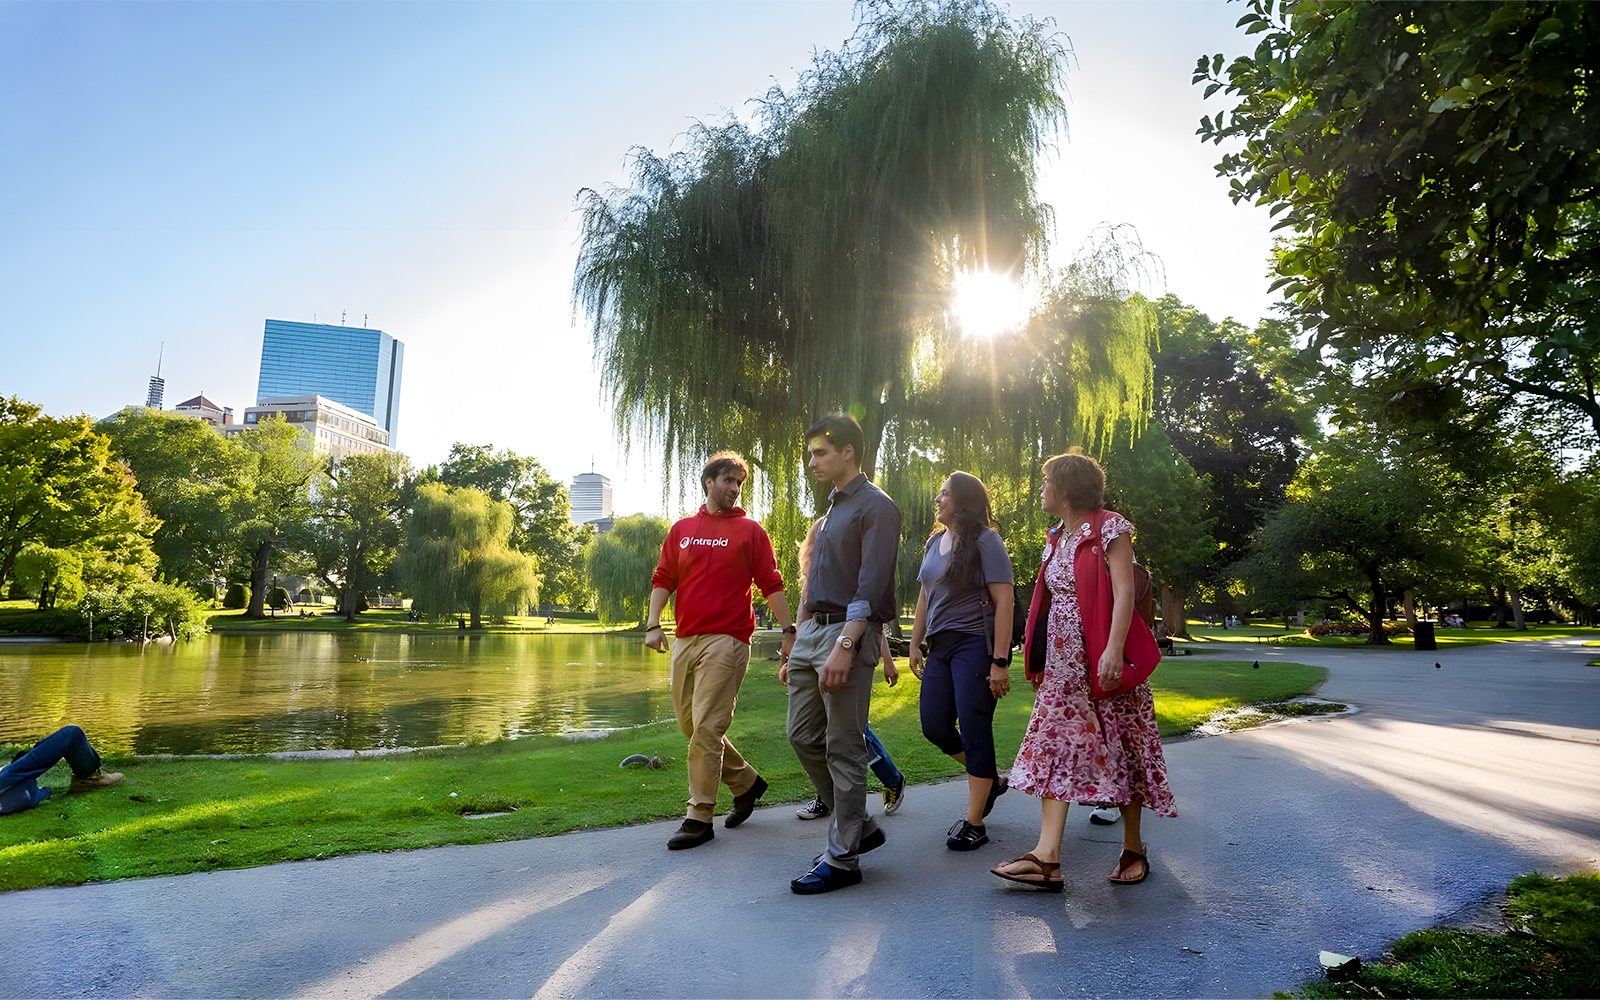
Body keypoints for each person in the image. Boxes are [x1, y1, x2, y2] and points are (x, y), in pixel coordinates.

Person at [992, 453, 1175, 891]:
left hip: (1102, 661)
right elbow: (1047, 600)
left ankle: (1133, 846)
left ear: (1067, 488)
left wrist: (1113, 650)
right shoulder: (1056, 536)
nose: (1040, 488)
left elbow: (1125, 590)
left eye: (1045, 481)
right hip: (1062, 668)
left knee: (1123, 746)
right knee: (1054, 748)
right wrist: (1038, 659)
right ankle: (1046, 857)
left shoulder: (1110, 527)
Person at [645, 451, 795, 851]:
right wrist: (653, 622)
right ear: (709, 481)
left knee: (708, 727)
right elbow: (664, 576)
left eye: (739, 483)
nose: (733, 489)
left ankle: (699, 816)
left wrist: (787, 630)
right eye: (727, 480)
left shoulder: (750, 531)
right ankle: (746, 781)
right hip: (685, 637)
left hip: (728, 638)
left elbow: (770, 581)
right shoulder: (682, 530)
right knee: (690, 726)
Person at [785, 412, 902, 894]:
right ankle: (860, 827)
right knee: (802, 735)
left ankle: (843, 859)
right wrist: (799, 635)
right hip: (814, 631)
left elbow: (870, 586)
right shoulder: (831, 509)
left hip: (848, 634)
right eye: (810, 453)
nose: (811, 461)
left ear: (848, 452)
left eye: (820, 452)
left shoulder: (877, 507)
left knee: (845, 747)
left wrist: (847, 645)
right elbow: (814, 578)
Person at [907, 471, 1014, 852]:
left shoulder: (987, 541)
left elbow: (1005, 602)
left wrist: (999, 661)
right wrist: (915, 643)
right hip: (940, 647)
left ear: (964, 501)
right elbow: (925, 596)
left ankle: (975, 822)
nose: (938, 500)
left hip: (974, 645)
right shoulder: (935, 542)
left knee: (974, 728)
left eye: (945, 494)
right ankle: (989, 779)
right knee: (934, 726)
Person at [1, 725, 124, 816]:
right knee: (72, 734)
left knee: (39, 792)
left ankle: (86, 780)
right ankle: (91, 778)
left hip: (17, 797)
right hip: (11, 788)